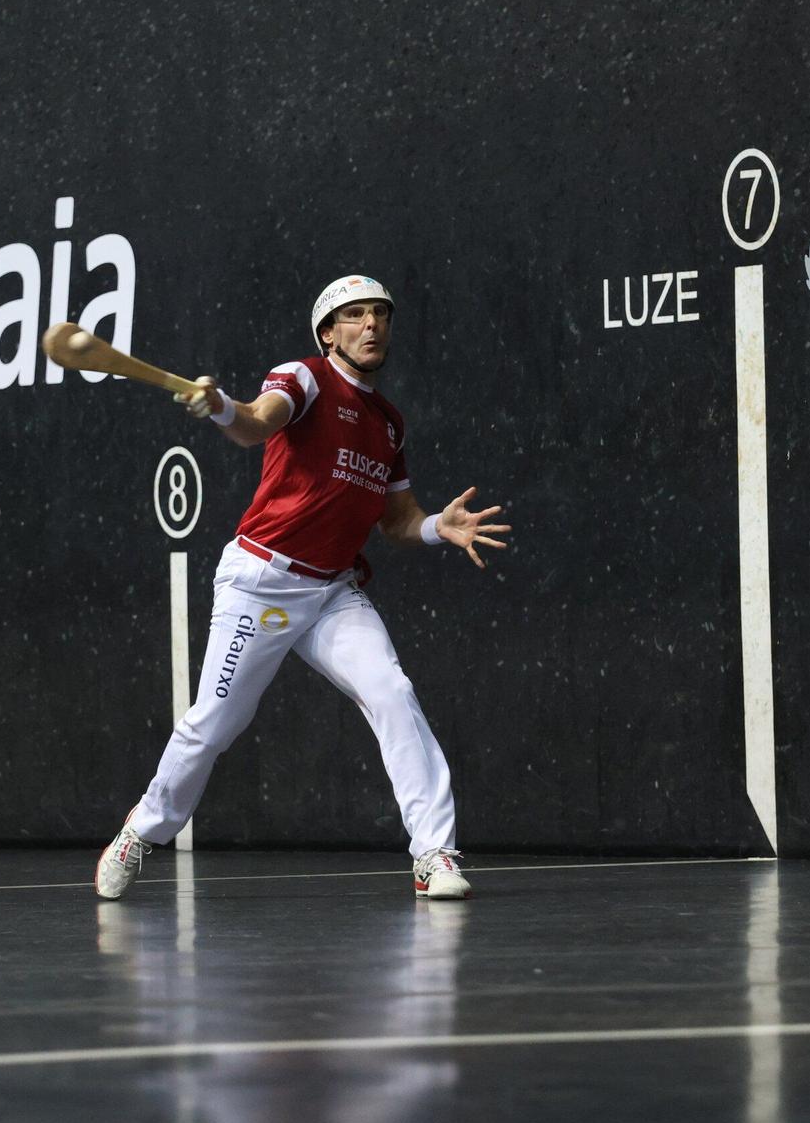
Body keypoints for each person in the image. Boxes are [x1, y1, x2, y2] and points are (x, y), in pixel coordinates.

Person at [94, 275, 509, 901]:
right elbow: (257, 423)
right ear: (328, 333)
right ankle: (140, 831)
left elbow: (396, 521)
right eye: (355, 316)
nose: (371, 326)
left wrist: (435, 528)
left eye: (380, 316)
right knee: (216, 724)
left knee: (392, 692)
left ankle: (434, 855)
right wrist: (224, 408)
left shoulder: (388, 425)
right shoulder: (306, 377)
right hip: (262, 582)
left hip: (333, 592)